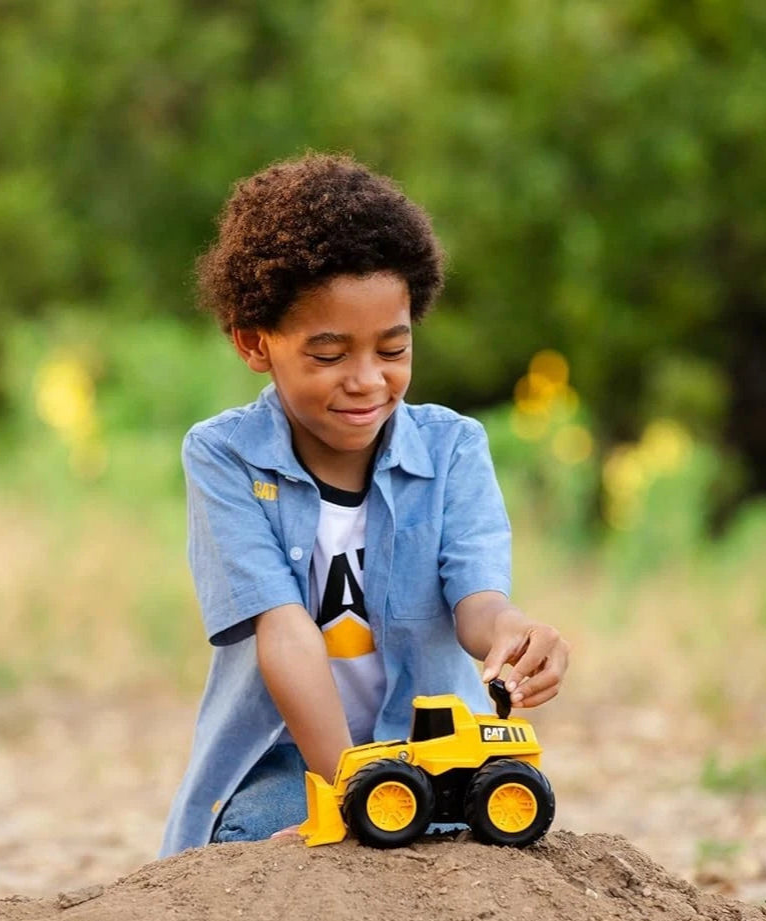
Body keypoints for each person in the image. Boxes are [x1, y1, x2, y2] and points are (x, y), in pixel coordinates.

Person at [160, 153, 569, 855]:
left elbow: (477, 601)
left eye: (392, 348)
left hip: (434, 748)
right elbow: (283, 630)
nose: (367, 380)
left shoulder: (451, 449)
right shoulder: (223, 456)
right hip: (293, 760)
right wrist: (351, 786)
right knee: (261, 845)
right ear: (255, 342)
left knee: (479, 846)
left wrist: (513, 632)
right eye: (328, 354)